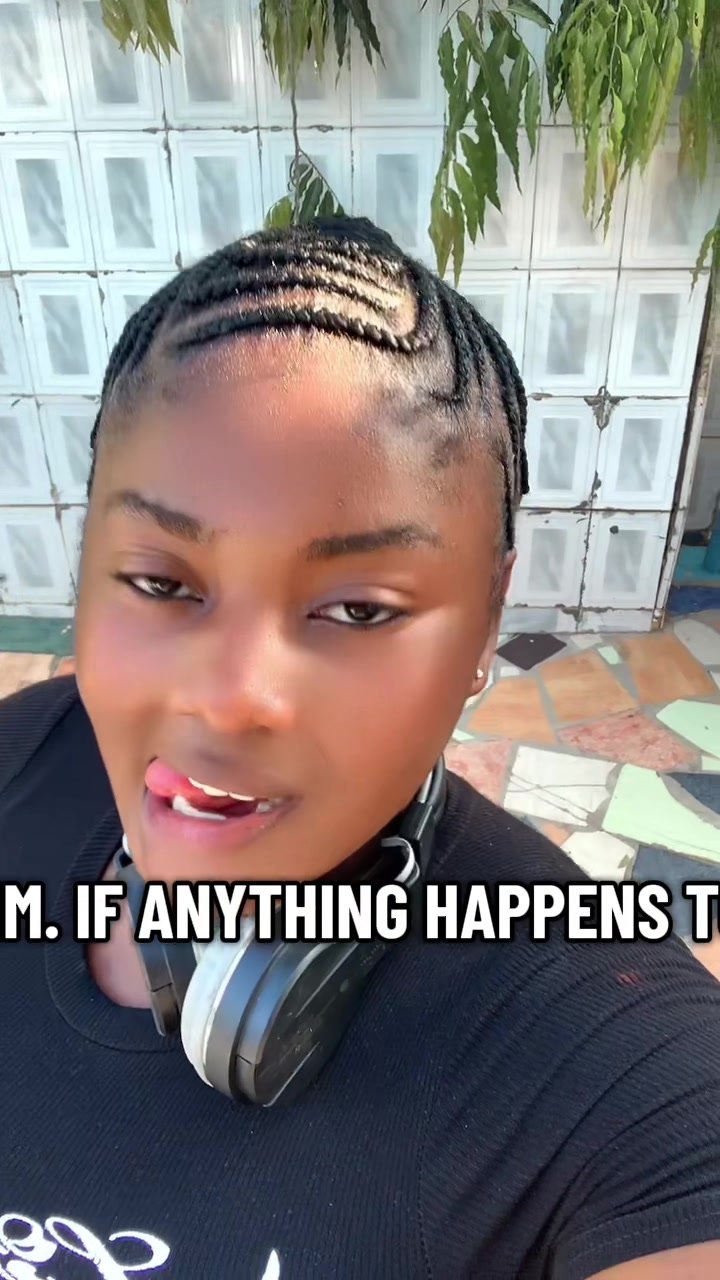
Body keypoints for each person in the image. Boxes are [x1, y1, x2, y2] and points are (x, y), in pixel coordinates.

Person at [1, 217, 719, 1280]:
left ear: (486, 620)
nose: (229, 702)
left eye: (356, 609)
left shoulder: (609, 1056)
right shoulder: (22, 756)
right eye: (160, 583)